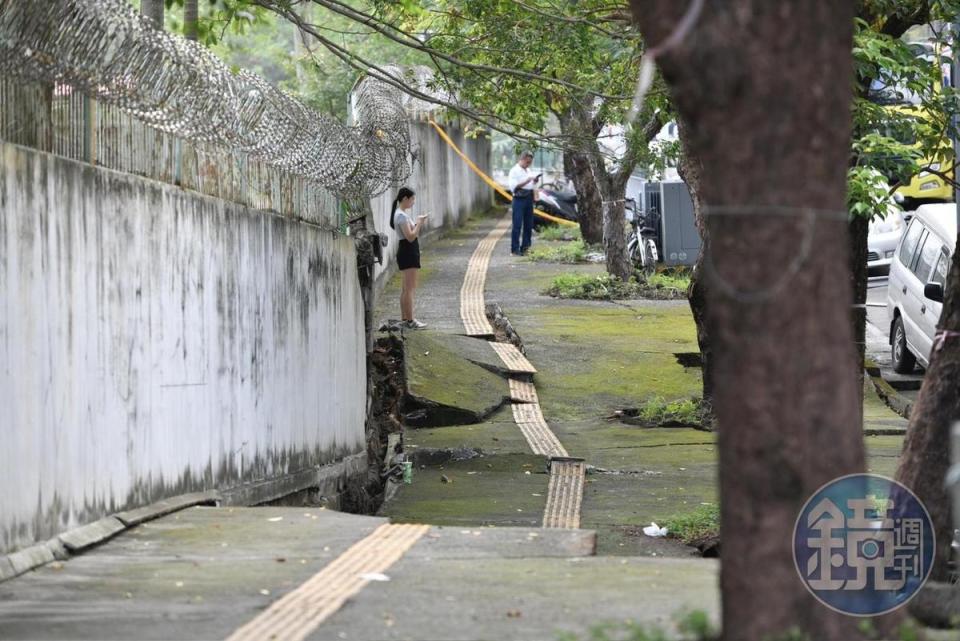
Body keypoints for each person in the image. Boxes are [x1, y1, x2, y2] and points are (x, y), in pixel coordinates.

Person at [390, 187, 429, 329]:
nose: (413, 202)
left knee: (406, 288)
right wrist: (419, 222)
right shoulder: (401, 216)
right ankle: (410, 321)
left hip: (407, 251)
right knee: (409, 289)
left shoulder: (401, 214)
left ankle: (406, 319)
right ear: (405, 199)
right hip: (408, 251)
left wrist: (418, 223)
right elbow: (411, 237)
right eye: (412, 199)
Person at [508, 150, 539, 256]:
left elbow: (531, 184)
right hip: (519, 199)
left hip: (529, 198)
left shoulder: (528, 170)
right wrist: (527, 180)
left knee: (528, 224)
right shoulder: (514, 171)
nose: (528, 164)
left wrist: (534, 181)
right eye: (527, 162)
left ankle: (525, 247)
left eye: (530, 162)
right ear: (521, 159)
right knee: (517, 224)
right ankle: (515, 249)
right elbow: (514, 186)